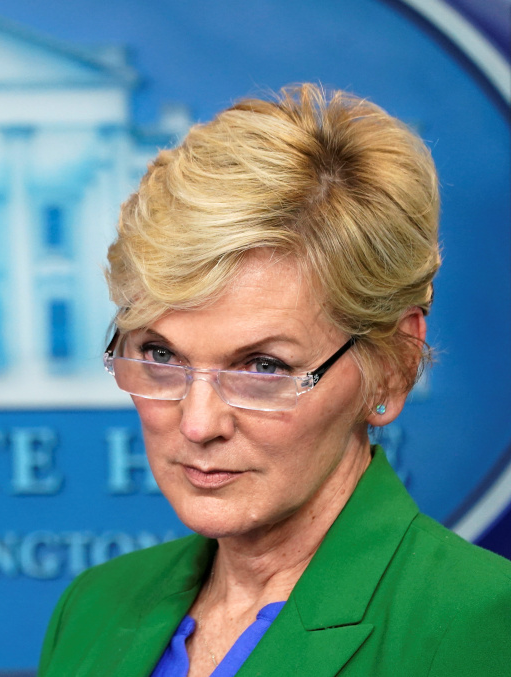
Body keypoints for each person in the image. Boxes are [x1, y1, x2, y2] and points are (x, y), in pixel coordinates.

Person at [37, 84, 511, 676]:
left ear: (392, 365)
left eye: (263, 367)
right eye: (160, 354)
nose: (198, 423)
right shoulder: (94, 609)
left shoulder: (484, 622)